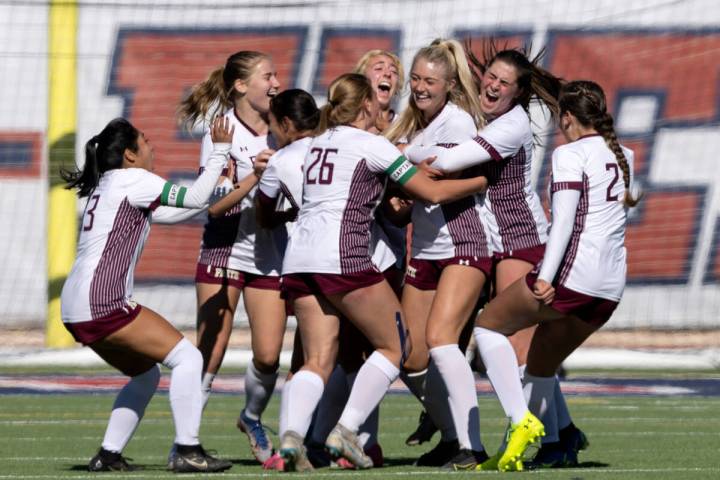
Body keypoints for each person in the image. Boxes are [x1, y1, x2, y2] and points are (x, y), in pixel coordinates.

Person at [277, 73, 488, 471]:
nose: (382, 108)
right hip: (342, 254)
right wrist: (480, 181)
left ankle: (291, 436)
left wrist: (409, 165)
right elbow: (434, 193)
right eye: (375, 101)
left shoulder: (317, 144)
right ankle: (346, 430)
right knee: (396, 345)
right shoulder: (372, 144)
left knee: (318, 359)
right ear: (364, 107)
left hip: (299, 257)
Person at [404, 44, 584, 467]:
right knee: (491, 347)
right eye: (491, 77)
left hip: (518, 241)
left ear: (518, 93)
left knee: (519, 352)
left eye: (504, 83)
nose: (493, 85)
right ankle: (564, 433)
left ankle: (557, 438)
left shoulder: (512, 124)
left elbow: (446, 162)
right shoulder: (484, 115)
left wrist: (395, 149)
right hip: (491, 241)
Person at [472, 79, 639, 471]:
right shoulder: (626, 154)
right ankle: (559, 439)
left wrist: (545, 276)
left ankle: (520, 421)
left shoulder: (569, 154)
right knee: (541, 365)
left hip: (571, 276)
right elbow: (631, 199)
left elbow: (563, 223)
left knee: (487, 327)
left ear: (567, 117)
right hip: (610, 287)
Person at [59, 117, 234, 473]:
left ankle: (108, 455)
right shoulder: (135, 179)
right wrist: (220, 151)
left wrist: (230, 185)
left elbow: (177, 212)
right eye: (146, 140)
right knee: (188, 358)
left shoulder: (110, 183)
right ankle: (187, 449)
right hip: (101, 301)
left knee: (147, 375)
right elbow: (195, 196)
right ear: (129, 155)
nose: (152, 147)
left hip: (74, 305)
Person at [384, 38, 490, 469]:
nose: (421, 87)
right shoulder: (416, 126)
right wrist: (404, 194)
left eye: (430, 80)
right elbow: (419, 183)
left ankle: (473, 446)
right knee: (410, 357)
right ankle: (450, 437)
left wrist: (406, 176)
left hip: (463, 243)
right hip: (424, 248)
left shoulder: (459, 123)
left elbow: (447, 178)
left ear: (449, 84)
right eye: (416, 79)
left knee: (442, 342)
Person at [177, 50, 283, 464]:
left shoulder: (284, 128)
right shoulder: (222, 131)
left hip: (270, 250)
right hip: (225, 244)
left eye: (276, 76)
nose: (276, 83)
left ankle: (251, 416)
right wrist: (256, 176)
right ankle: (186, 443)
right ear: (241, 85)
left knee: (269, 355)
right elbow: (216, 206)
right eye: (268, 76)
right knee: (211, 348)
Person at [305, 48, 407, 470]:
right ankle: (323, 435)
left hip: (383, 253)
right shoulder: (340, 135)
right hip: (345, 255)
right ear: (359, 85)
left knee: (377, 350)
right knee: (338, 352)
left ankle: (361, 439)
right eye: (378, 68)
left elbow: (403, 206)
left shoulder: (406, 127)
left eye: (394, 70)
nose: (389, 73)